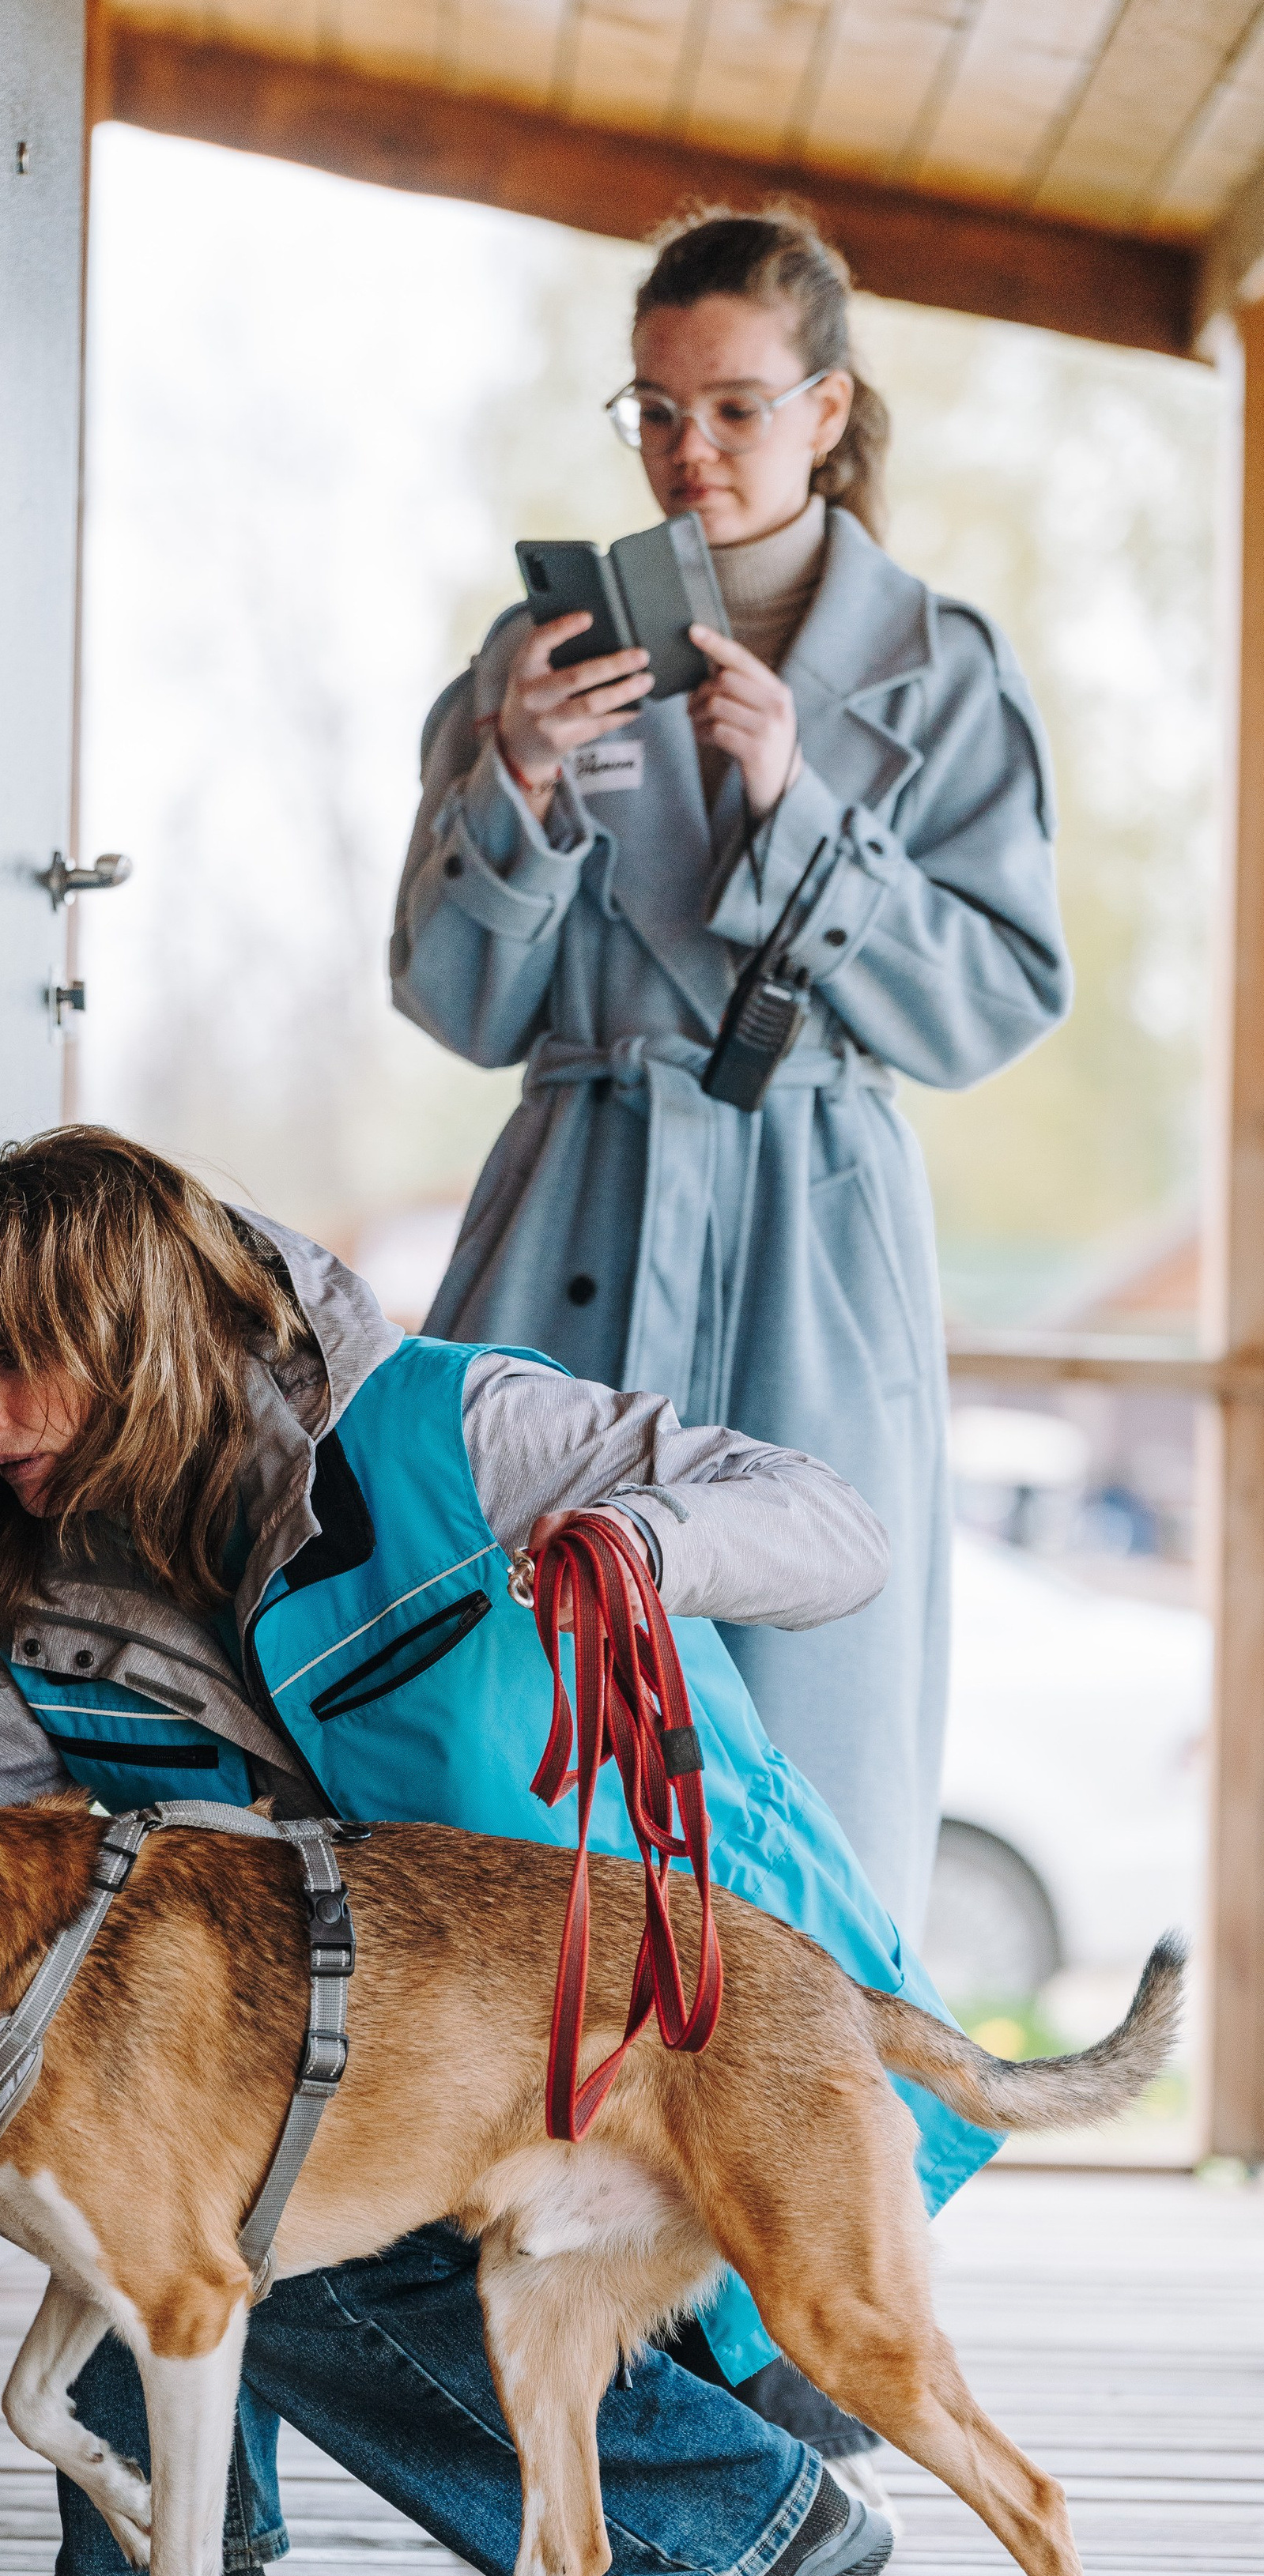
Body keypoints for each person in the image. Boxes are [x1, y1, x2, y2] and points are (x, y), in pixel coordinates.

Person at [0, 1128, 992, 2576]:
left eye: (12, 1355)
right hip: (420, 2064)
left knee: (246, 2175)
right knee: (144, 2069)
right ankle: (165, 2563)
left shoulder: (448, 1428)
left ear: (134, 1323)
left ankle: (731, 2520)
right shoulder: (54, 1593)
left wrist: (643, 1539)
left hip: (688, 2038)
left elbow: (825, 1526)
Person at [391, 205, 1070, 1956]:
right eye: (653, 410)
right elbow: (457, 1001)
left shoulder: (944, 667)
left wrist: (804, 817)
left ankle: (802, 2192)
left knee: (808, 1690)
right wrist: (517, 785)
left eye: (735, 409)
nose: (687, 452)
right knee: (505, 1684)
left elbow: (996, 996)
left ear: (826, 412)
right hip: (577, 1209)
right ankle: (502, 2175)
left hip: (809, 1236)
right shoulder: (526, 656)